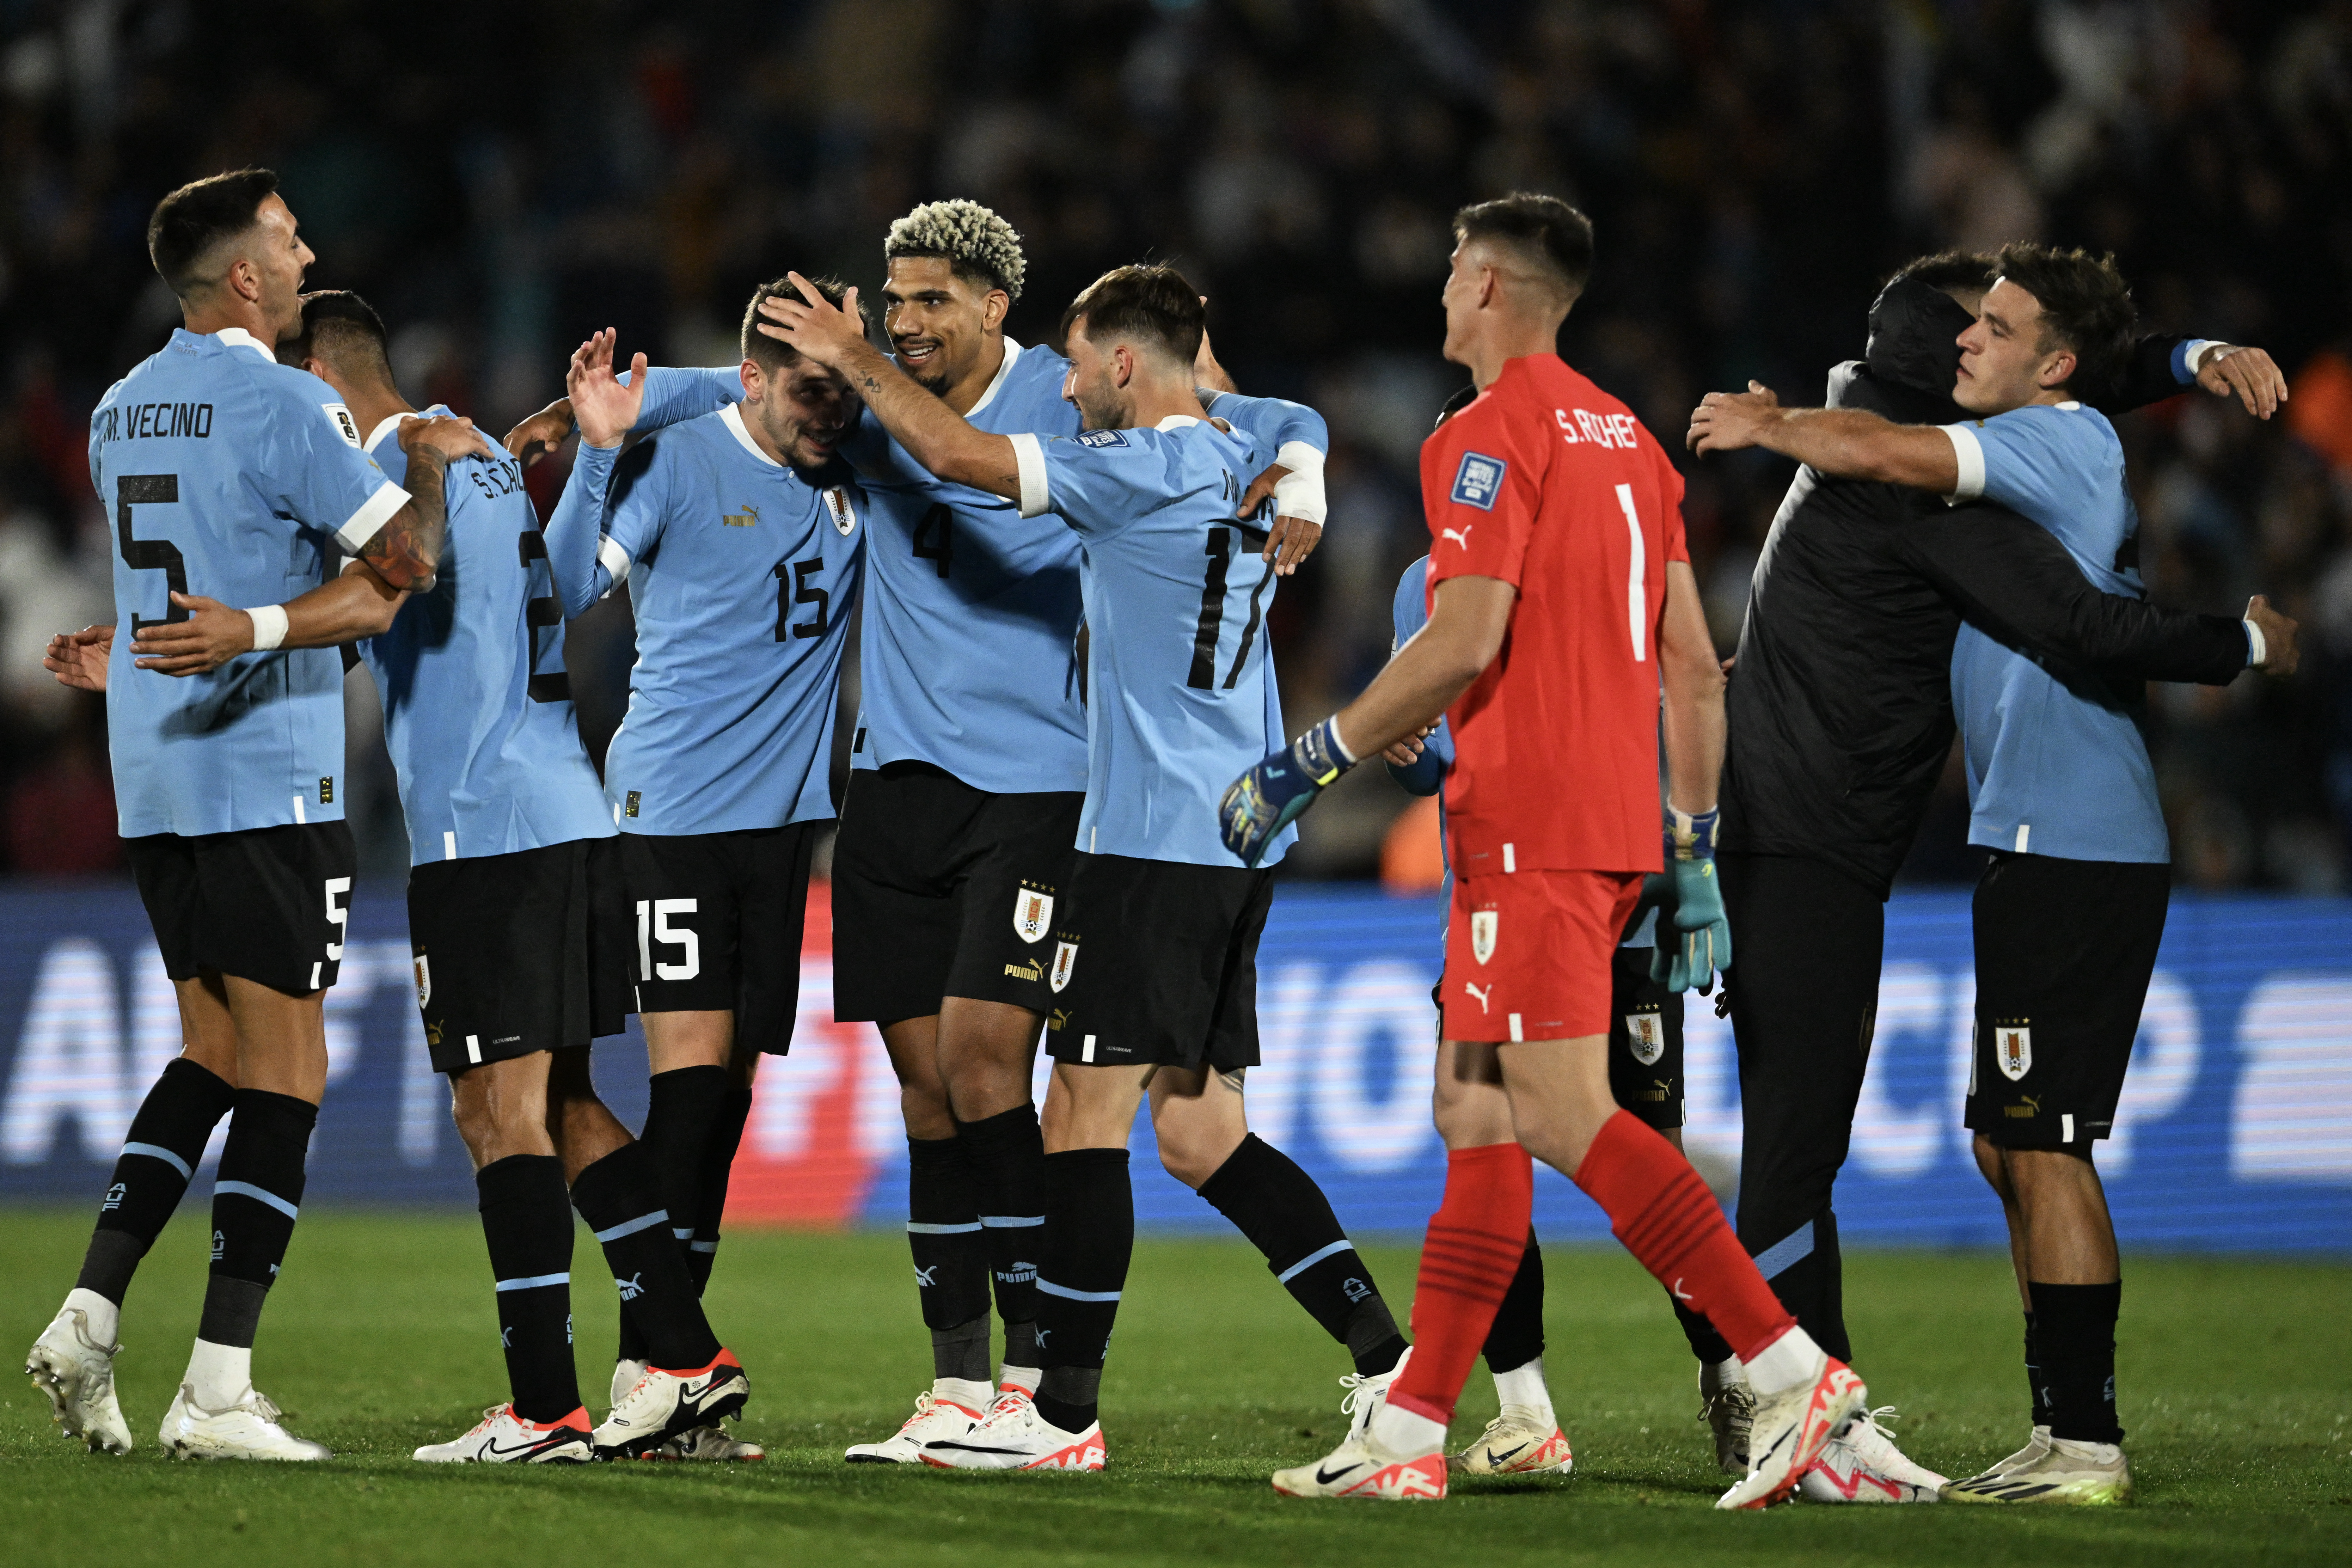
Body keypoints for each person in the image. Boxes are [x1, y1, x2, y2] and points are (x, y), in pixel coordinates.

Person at [511, 198, 1342, 1464]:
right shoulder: (867, 400)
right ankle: (956, 1389)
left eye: (928, 303)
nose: (901, 326)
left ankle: (1035, 1388)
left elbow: (1259, 418)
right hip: (894, 787)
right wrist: (602, 411)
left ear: (996, 306)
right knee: (926, 1098)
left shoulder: (1077, 404)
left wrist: (1318, 464)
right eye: (891, 306)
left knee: (986, 1065)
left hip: (1042, 790)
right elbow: (745, 388)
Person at [1225, 192, 1855, 1511]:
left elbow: (1460, 642)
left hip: (1528, 827)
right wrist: (1688, 854)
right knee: (1477, 1114)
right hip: (1610, 821)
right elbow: (1693, 668)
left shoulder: (1482, 436)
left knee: (1570, 1115)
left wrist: (1308, 761)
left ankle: (1793, 1370)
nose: (1443, 288)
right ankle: (1411, 1435)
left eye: (1457, 269)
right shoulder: (1630, 439)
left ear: (1496, 288)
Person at [764, 261, 1411, 1474]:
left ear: (1124, 364)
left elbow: (963, 462)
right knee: (1204, 1136)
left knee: (1080, 1114)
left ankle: (1059, 1414)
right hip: (1231, 835)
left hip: (1155, 841)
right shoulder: (1236, 453)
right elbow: (1272, 410)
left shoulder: (1142, 470)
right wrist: (1312, 463)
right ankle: (1392, 1371)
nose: (1064, 387)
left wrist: (856, 360)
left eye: (1076, 362)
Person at [1689, 241, 2302, 1506]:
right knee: (1825, 1148)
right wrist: (2238, 637)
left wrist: (2187, 358)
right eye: (1970, 328)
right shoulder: (1921, 495)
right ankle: (1801, 1407)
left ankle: (1813, 1391)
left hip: (1891, 839)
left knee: (1994, 1144)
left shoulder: (1917, 436)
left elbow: (2055, 398)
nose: (1981, 343)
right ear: (1937, 360)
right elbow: (2080, 614)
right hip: (1821, 845)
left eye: (2003, 329)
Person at [24, 168, 484, 1461]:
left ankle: (90, 1318)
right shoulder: (283, 401)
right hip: (265, 778)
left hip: (157, 778)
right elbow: (404, 574)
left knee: (214, 1055)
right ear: (245, 276)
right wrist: (429, 469)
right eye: (289, 240)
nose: (306, 254)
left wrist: (166, 639)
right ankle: (218, 1389)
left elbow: (194, 579)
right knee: (290, 1067)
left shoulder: (121, 406)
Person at [282, 291, 747, 1463]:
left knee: (497, 1114)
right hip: (564, 810)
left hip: (485, 831)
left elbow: (389, 591)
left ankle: (543, 1408)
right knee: (566, 1103)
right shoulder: (479, 449)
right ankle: (689, 1357)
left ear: (318, 382)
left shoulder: (392, 475)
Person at [537, 275, 870, 1454]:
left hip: (782, 835)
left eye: (842, 388)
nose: (828, 412)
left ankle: (664, 1372)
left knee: (724, 1104)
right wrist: (596, 449)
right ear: (751, 381)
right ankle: (662, 1358)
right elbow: (571, 584)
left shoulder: (853, 471)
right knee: (688, 1081)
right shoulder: (677, 464)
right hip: (671, 814)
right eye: (807, 390)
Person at [1381, 551, 1725, 1485]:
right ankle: (1526, 1411)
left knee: (1638, 1145)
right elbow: (1433, 761)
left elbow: (1674, 703)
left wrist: (1694, 862)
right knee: (1491, 1145)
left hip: (1610, 896)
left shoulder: (1605, 561)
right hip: (1510, 898)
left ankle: (1740, 1372)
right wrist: (1409, 750)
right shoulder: (1425, 582)